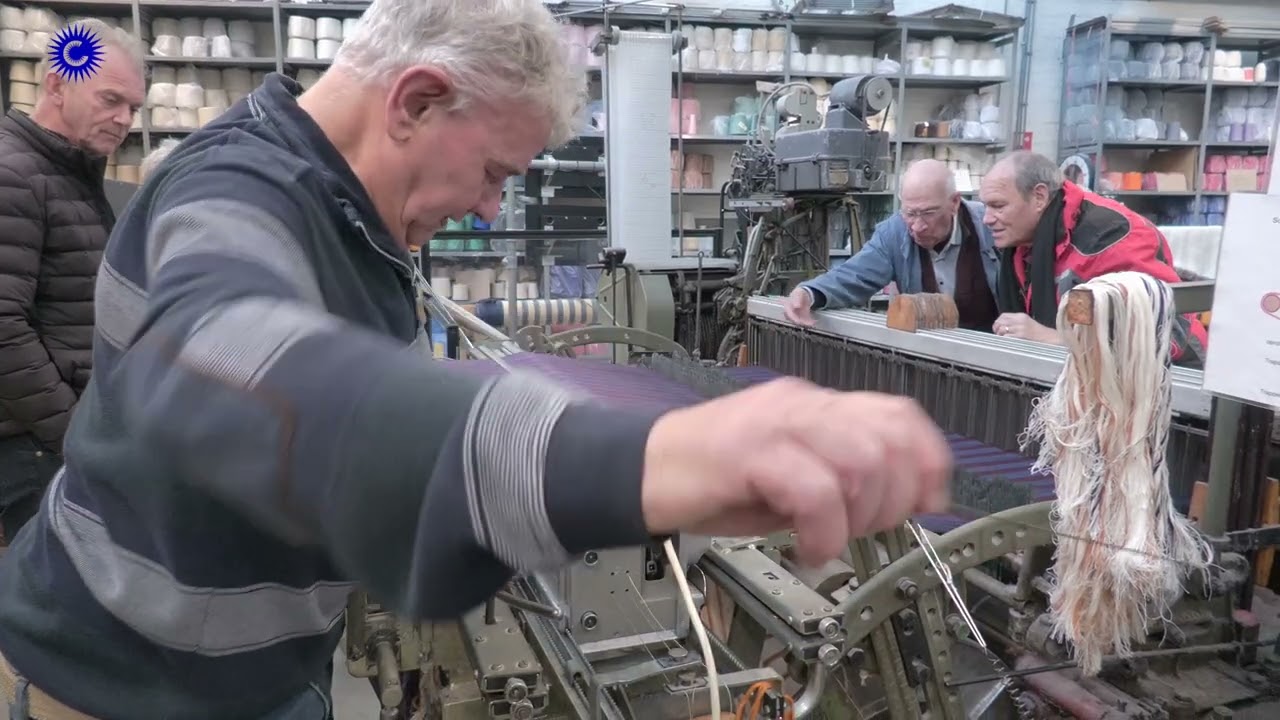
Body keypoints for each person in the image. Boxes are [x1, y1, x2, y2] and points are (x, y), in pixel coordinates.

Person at [0, 2, 953, 718]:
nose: (495, 209)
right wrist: (647, 460)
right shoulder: (229, 188)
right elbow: (232, 370)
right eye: (495, 171)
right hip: (132, 686)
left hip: (255, 674)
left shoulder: (344, 219)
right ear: (414, 102)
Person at [0, 20, 145, 547]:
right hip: (39, 449)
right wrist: (74, 433)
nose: (125, 119)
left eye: (134, 107)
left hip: (60, 440)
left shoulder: (69, 174)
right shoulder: (15, 172)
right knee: (59, 614)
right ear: (57, 85)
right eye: (112, 99)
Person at [979, 150, 1208, 367]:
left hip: (1174, 378)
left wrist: (1054, 338)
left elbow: (1166, 330)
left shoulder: (1113, 236)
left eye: (998, 206)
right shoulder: (1023, 243)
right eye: (985, 207)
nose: (986, 219)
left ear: (1039, 197)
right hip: (1088, 377)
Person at [783, 158, 1000, 331]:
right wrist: (810, 292)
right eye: (910, 213)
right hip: (929, 353)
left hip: (993, 354)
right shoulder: (894, 233)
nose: (917, 226)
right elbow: (855, 275)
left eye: (928, 213)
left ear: (954, 202)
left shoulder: (991, 226)